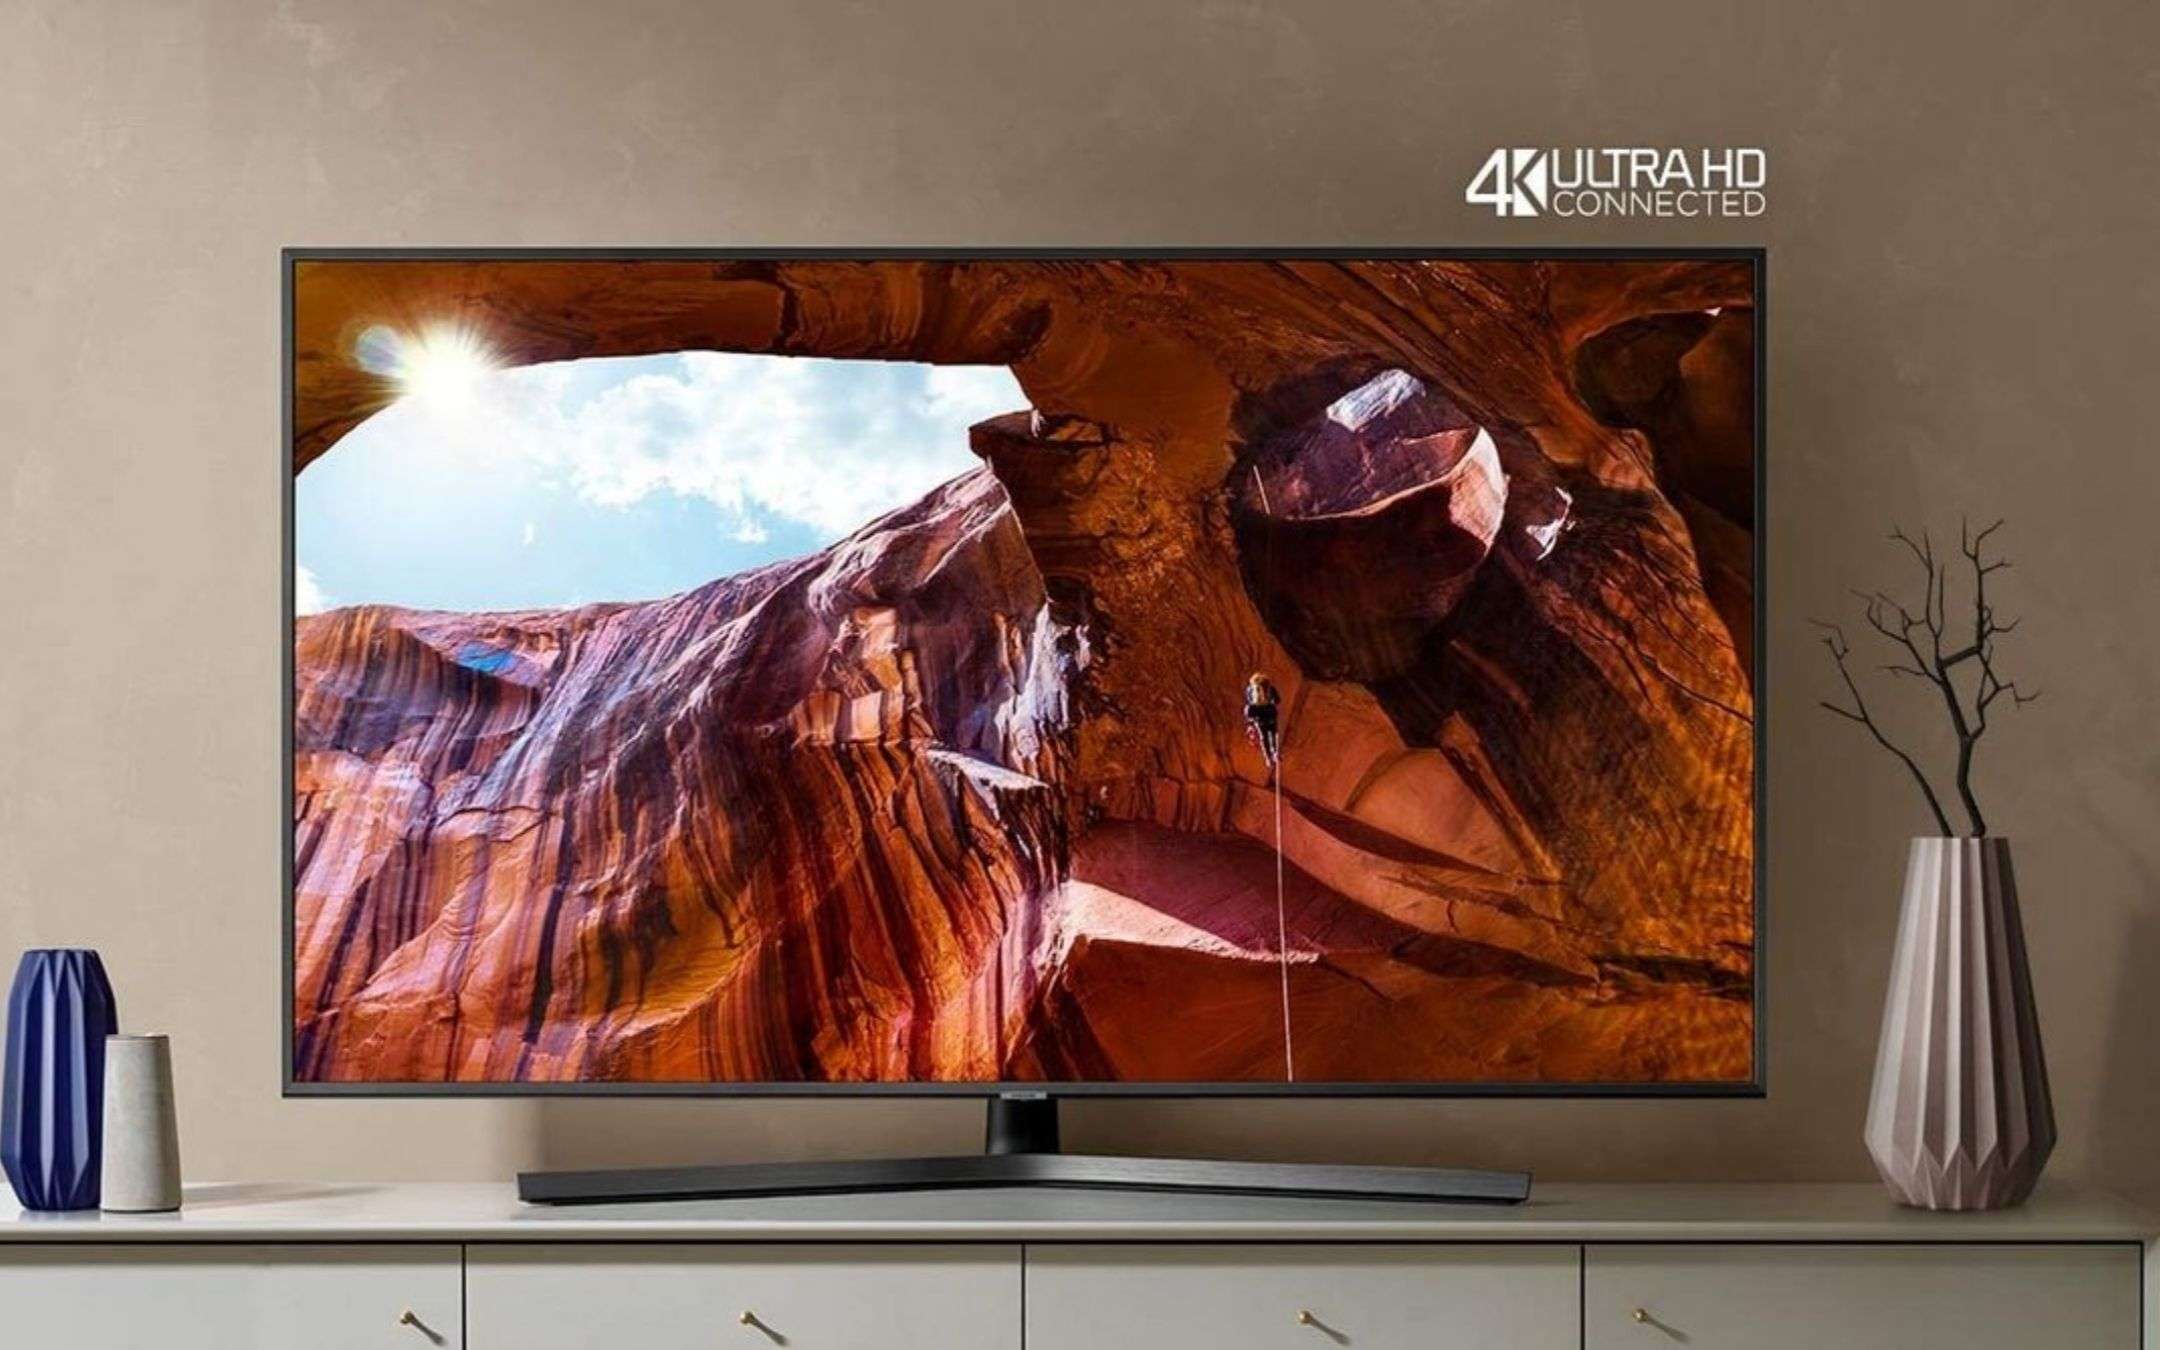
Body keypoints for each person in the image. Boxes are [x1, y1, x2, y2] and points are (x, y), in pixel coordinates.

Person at [1243, 672, 1282, 773]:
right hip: (1267, 713)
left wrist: (1250, 722)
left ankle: (1269, 757)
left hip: (1260, 715)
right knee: (1272, 734)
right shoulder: (1269, 689)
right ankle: (1273, 753)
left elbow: (1248, 705)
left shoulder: (1250, 689)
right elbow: (1277, 700)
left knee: (1264, 736)